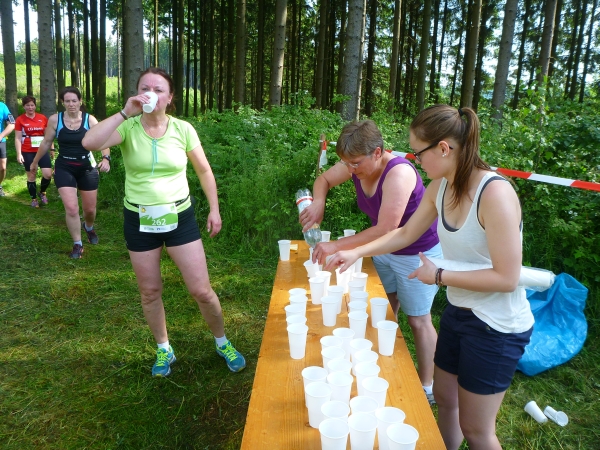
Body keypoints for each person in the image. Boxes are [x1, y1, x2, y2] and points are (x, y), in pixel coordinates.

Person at [326, 105, 534, 450]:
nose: (415, 160)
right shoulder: (440, 187)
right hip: (459, 311)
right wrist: (355, 252)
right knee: (446, 400)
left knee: (476, 429)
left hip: (496, 326)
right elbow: (405, 233)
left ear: (443, 148)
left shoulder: (494, 194)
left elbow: (506, 278)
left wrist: (438, 274)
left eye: (418, 152)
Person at [81, 67, 246, 377]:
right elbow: (89, 142)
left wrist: (214, 209)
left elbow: (204, 171)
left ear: (170, 98)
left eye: (159, 89)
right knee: (149, 291)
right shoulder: (128, 127)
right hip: (139, 220)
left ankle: (222, 341)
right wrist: (124, 112)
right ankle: (163, 348)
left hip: (180, 218)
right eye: (145, 88)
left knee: (202, 290)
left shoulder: (183, 129)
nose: (151, 93)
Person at [300, 120, 442, 403]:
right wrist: (319, 201)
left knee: (418, 320)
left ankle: (428, 386)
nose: (350, 170)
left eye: (355, 164)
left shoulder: (398, 173)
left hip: (417, 254)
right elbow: (323, 180)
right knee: (384, 306)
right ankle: (381, 363)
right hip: (383, 249)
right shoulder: (355, 162)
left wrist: (337, 245)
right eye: (346, 163)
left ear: (378, 152)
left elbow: (386, 228)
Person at [31, 87, 111, 259]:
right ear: (62, 103)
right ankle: (77, 243)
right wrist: (35, 162)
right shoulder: (55, 120)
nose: (71, 104)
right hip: (64, 167)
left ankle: (88, 227)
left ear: (80, 101)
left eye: (74, 100)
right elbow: (46, 142)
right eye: (67, 101)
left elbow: (103, 140)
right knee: (72, 208)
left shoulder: (90, 120)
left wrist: (106, 158)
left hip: (87, 167)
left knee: (89, 210)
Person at [15, 96, 54, 207]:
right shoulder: (20, 119)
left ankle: (42, 192)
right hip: (27, 150)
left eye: (32, 105)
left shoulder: (42, 118)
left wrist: (52, 148)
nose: (30, 107)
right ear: (24, 106)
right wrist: (19, 153)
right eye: (27, 105)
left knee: (48, 174)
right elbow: (17, 138)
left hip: (42, 150)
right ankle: (34, 199)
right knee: (32, 175)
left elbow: (48, 135)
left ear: (35, 106)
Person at [0, 100, 16, 197]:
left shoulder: (2, 106)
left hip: (0, 141)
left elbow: (12, 123)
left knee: (3, 168)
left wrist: (1, 136)